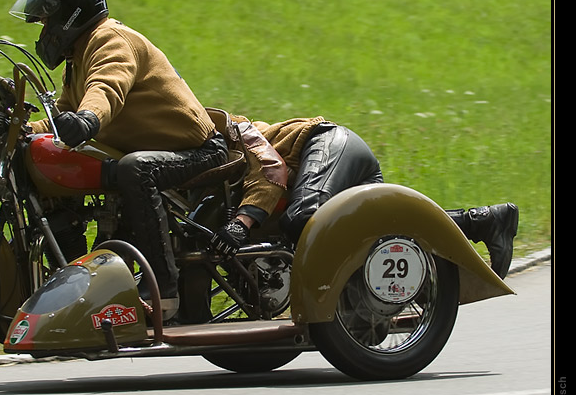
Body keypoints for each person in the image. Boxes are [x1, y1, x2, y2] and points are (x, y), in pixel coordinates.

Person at [10, 0, 229, 316]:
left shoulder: (109, 39)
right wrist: (22, 130)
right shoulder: (76, 59)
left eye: (46, 22)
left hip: (198, 151)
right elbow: (64, 113)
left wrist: (88, 120)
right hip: (157, 151)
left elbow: (107, 86)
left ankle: (165, 290)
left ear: (70, 16)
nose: (44, 33)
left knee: (135, 170)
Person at [210, 116, 519, 279]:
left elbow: (270, 170)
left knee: (304, 218)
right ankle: (483, 222)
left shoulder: (227, 129)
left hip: (326, 144)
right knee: (376, 229)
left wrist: (241, 224)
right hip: (326, 164)